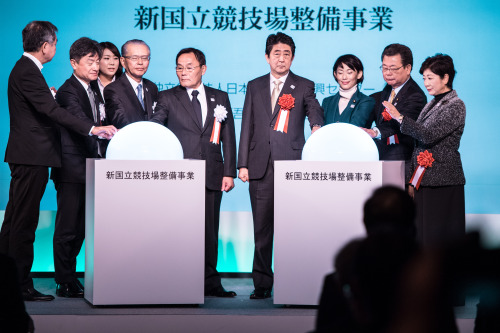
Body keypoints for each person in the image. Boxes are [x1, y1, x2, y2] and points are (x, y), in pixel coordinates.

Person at [0, 21, 116, 302]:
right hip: (32, 156)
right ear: (45, 46)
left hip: (30, 155)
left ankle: (9, 282)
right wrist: (93, 128)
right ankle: (21, 285)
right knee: (23, 223)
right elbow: (52, 111)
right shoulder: (28, 71)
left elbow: (41, 107)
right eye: (54, 43)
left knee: (15, 221)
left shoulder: (26, 70)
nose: (54, 48)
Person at [238, 32, 324, 299]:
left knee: (293, 227)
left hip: (292, 166)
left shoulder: (304, 85)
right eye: (277, 53)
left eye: (287, 54)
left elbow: (314, 111)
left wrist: (318, 128)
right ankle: (262, 284)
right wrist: (242, 164)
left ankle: (292, 281)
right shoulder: (254, 85)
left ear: (293, 57)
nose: (282, 58)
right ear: (267, 57)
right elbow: (247, 125)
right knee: (261, 229)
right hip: (259, 166)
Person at [152, 48, 237, 297]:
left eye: (189, 66)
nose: (183, 72)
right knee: (179, 230)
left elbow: (228, 139)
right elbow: (157, 128)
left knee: (209, 231)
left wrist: (228, 172)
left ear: (203, 69)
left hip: (212, 172)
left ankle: (210, 282)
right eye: (179, 67)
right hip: (179, 176)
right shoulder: (167, 97)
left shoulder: (220, 97)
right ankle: (178, 280)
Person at [384, 54, 465, 248]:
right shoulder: (432, 103)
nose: (426, 83)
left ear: (445, 78)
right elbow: (420, 142)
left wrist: (400, 117)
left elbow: (428, 135)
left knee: (441, 239)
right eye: (424, 79)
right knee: (423, 235)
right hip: (425, 178)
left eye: (430, 78)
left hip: (443, 180)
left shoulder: (456, 105)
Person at [51, 37, 104, 298]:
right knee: (67, 227)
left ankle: (71, 276)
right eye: (90, 62)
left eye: (98, 61)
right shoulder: (68, 90)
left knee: (82, 227)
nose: (96, 67)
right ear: (74, 63)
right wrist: (98, 129)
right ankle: (63, 280)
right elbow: (78, 119)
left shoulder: (93, 89)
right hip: (71, 168)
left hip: (90, 168)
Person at [362, 43, 427, 178]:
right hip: (381, 158)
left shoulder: (416, 96)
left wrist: (375, 132)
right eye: (384, 68)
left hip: (402, 161)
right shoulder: (385, 92)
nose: (387, 73)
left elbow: (399, 125)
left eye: (393, 68)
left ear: (408, 68)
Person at [104, 39, 158, 129]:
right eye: (134, 58)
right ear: (123, 61)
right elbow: (120, 121)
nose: (140, 62)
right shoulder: (113, 89)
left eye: (144, 58)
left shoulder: (152, 87)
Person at [322, 54, 374, 127]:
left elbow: (355, 128)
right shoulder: (327, 102)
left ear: (359, 74)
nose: (344, 77)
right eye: (340, 72)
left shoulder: (366, 101)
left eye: (349, 72)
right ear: (335, 74)